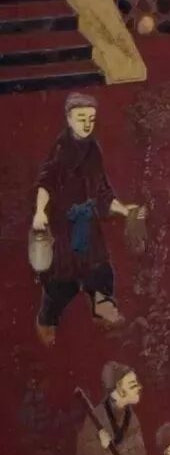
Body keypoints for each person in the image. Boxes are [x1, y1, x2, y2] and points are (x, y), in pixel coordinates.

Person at [32, 92, 140, 345]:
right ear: (69, 119)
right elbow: (45, 183)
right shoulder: (61, 149)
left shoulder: (93, 149)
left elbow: (102, 190)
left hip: (88, 221)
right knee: (63, 281)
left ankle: (102, 308)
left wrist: (125, 210)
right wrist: (40, 211)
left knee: (100, 269)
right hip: (64, 225)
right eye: (81, 118)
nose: (87, 124)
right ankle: (47, 319)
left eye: (91, 118)